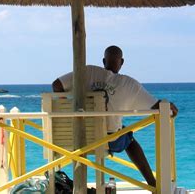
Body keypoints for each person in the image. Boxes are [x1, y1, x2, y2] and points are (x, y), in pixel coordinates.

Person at [52, 45, 178, 188]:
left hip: (76, 136)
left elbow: (56, 85)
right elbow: (155, 106)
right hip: (108, 141)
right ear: (121, 62)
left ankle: (53, 178)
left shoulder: (87, 71)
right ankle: (152, 184)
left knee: (121, 130)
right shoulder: (128, 84)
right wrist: (169, 107)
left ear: (103, 61)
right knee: (128, 137)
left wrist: (72, 104)